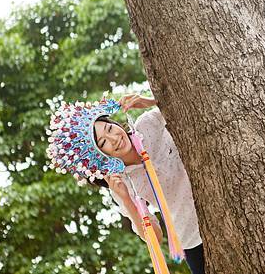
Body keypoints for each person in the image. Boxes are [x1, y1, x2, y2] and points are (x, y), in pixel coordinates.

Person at [46, 94, 205, 274]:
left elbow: (187, 103)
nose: (114, 138)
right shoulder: (122, 185)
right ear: (99, 155)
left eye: (109, 129)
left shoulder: (147, 126)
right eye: (103, 142)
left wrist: (152, 101)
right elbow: (156, 237)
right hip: (193, 239)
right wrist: (127, 201)